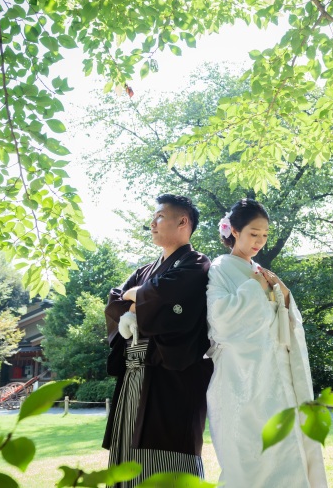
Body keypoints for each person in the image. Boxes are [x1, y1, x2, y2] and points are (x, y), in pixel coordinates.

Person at [205, 198, 328, 487]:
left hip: (276, 372)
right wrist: (254, 288)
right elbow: (219, 320)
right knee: (250, 453)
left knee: (287, 447)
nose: (259, 241)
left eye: (264, 235)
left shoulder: (261, 270)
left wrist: (284, 295)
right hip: (242, 376)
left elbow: (281, 321)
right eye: (253, 233)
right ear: (234, 231)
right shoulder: (220, 268)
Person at [102, 194, 213, 487]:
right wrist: (139, 300)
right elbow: (115, 301)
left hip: (171, 372)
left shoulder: (196, 263)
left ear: (183, 221)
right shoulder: (145, 270)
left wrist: (137, 300)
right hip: (134, 371)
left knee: (168, 449)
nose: (152, 223)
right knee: (127, 443)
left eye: (160, 217)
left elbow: (167, 298)